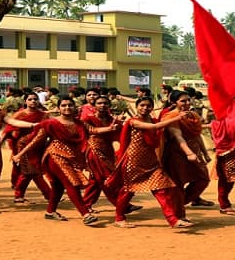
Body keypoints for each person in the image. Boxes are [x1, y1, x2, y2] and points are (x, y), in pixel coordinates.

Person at [107, 97, 193, 228]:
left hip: (151, 161)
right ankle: (119, 218)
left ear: (152, 107)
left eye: (148, 106)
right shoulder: (133, 121)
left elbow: (159, 128)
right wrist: (177, 117)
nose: (145, 108)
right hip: (133, 162)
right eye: (142, 105)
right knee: (128, 191)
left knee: (161, 190)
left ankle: (173, 220)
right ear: (137, 107)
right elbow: (155, 127)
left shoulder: (152, 120)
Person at [13, 96, 100, 225]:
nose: (67, 107)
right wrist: (20, 154)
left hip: (71, 158)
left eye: (70, 105)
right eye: (63, 105)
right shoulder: (50, 123)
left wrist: (111, 128)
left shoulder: (79, 123)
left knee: (58, 187)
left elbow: (93, 130)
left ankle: (50, 212)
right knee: (72, 183)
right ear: (58, 108)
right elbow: (36, 141)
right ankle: (85, 214)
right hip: (55, 156)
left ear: (75, 107)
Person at [161, 90, 214, 209]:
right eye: (183, 101)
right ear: (174, 103)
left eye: (188, 100)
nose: (187, 103)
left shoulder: (193, 115)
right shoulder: (171, 116)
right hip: (177, 153)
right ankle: (177, 209)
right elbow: (178, 137)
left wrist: (205, 153)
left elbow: (197, 135)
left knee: (203, 178)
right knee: (178, 181)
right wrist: (189, 153)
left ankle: (179, 203)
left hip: (194, 151)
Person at [80, 95, 126, 212]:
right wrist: (109, 129)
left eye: (105, 103)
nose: (102, 105)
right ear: (94, 106)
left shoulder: (111, 119)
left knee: (96, 180)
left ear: (109, 105)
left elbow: (120, 133)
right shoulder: (87, 118)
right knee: (107, 177)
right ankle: (121, 204)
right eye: (99, 103)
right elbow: (91, 130)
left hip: (108, 150)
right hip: (94, 150)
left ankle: (85, 205)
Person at [6, 93, 51, 203]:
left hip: (39, 146)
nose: (33, 101)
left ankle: (19, 195)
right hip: (23, 146)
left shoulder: (43, 115)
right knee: (31, 171)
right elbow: (10, 129)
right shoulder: (19, 114)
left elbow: (47, 128)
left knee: (30, 172)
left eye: (35, 99)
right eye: (30, 99)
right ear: (25, 101)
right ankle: (49, 195)